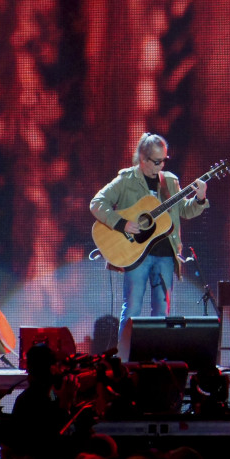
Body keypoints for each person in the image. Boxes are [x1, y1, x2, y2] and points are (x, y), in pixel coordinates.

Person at [90, 132, 210, 359]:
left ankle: (157, 361)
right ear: (143, 159)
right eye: (157, 161)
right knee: (133, 308)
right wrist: (122, 223)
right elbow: (97, 203)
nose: (161, 165)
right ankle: (125, 360)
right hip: (135, 255)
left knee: (162, 311)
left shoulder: (171, 181)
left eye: (164, 160)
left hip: (166, 254)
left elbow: (184, 210)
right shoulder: (126, 180)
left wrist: (200, 199)